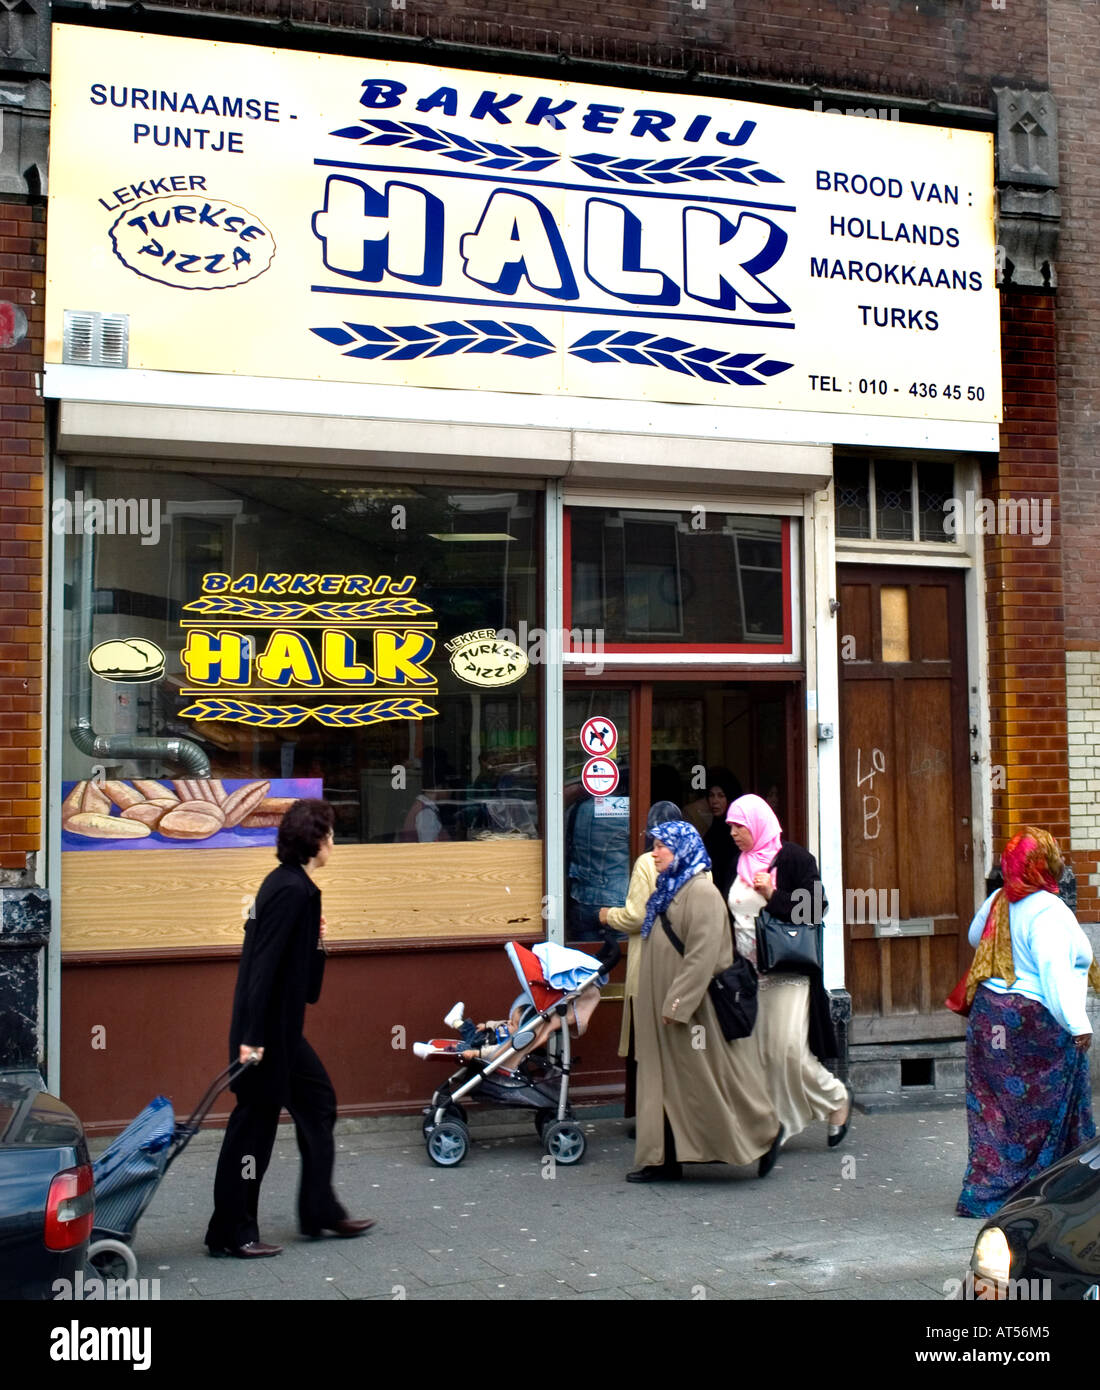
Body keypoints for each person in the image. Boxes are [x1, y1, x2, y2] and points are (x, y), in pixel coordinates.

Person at [204, 799, 374, 1257]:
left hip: (281, 1033)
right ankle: (232, 1232)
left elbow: (306, 988)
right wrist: (251, 1040)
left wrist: (317, 941)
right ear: (314, 840)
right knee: (253, 1130)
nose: (334, 843)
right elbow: (260, 968)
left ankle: (320, 1208)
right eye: (331, 835)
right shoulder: (290, 889)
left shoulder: (293, 887)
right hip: (265, 1037)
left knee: (317, 1102)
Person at [956, 826, 1100, 1218]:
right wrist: (1078, 1025)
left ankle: (986, 1193)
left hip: (989, 1017)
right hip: (1030, 1022)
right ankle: (1048, 1191)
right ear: (1045, 865)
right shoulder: (1049, 912)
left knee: (995, 1110)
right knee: (1046, 1108)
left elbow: (973, 937)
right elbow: (1053, 973)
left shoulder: (1000, 900)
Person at [628, 819, 783, 1182]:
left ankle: (765, 1133)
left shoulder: (702, 893)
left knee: (712, 1083)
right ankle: (662, 1159)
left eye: (661, 846)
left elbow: (702, 955)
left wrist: (676, 1004)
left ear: (681, 849)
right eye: (654, 846)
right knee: (660, 1082)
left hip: (692, 1011)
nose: (655, 853)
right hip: (663, 1007)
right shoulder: (669, 887)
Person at [725, 793, 851, 1147]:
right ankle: (772, 1125)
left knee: (788, 1050)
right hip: (751, 975)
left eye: (740, 825)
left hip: (789, 972)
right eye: (731, 826)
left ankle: (836, 1099)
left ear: (758, 824)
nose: (733, 832)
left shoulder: (793, 858)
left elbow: (814, 909)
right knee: (763, 1052)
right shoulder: (738, 864)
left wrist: (774, 894)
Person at [597, 799, 686, 1121]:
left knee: (642, 1045)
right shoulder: (697, 862)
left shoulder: (648, 863)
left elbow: (636, 917)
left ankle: (644, 1116)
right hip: (680, 967)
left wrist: (608, 916)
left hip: (649, 962)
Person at [701, 768, 742, 902]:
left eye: (720, 795)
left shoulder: (738, 835)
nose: (714, 801)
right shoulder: (711, 833)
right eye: (711, 795)